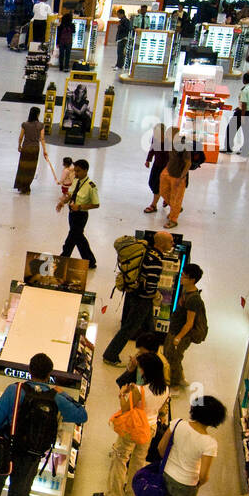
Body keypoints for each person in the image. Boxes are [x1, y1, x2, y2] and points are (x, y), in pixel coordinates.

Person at [0, 352, 88, 496]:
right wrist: (63, 393)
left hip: (4, 450)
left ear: (29, 370)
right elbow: (81, 415)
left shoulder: (14, 390)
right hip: (30, 456)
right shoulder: (56, 398)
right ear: (49, 374)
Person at [93, 351, 169, 496]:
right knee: (138, 460)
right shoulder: (164, 389)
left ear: (146, 370)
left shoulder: (139, 391)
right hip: (150, 428)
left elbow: (126, 408)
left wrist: (122, 394)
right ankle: (133, 492)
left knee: (120, 458)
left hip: (134, 427)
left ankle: (113, 494)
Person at [103, 231, 172, 366]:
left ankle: (149, 355)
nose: (172, 244)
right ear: (162, 243)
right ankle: (110, 355)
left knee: (148, 328)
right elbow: (150, 286)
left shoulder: (147, 252)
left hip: (135, 295)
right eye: (170, 241)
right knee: (129, 328)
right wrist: (156, 296)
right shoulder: (156, 260)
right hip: (143, 300)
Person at [164, 263, 206, 388]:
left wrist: (178, 337)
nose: (181, 277)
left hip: (181, 333)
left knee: (173, 358)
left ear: (192, 280)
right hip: (175, 329)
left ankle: (174, 385)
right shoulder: (185, 290)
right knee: (171, 355)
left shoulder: (194, 299)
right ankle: (180, 378)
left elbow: (189, 322)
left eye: (184, 276)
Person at [57, 158, 98, 268]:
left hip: (81, 215)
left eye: (78, 171)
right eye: (75, 170)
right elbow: (70, 194)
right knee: (78, 238)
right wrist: (63, 202)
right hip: (72, 214)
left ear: (85, 170)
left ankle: (63, 258)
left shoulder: (91, 186)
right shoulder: (75, 180)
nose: (76, 173)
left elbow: (96, 204)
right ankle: (90, 261)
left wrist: (79, 207)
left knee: (71, 238)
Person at [14, 106, 48, 195]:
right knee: (31, 168)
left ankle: (21, 186)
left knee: (23, 167)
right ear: (38, 114)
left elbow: (21, 137)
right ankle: (27, 187)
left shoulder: (25, 124)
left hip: (25, 148)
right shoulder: (41, 125)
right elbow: (42, 139)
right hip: (35, 149)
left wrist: (19, 145)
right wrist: (45, 150)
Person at [229, 72, 249, 155]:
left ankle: (228, 147)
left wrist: (242, 116)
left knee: (231, 129)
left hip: (243, 112)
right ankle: (245, 150)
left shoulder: (245, 89)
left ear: (244, 80)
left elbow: (244, 104)